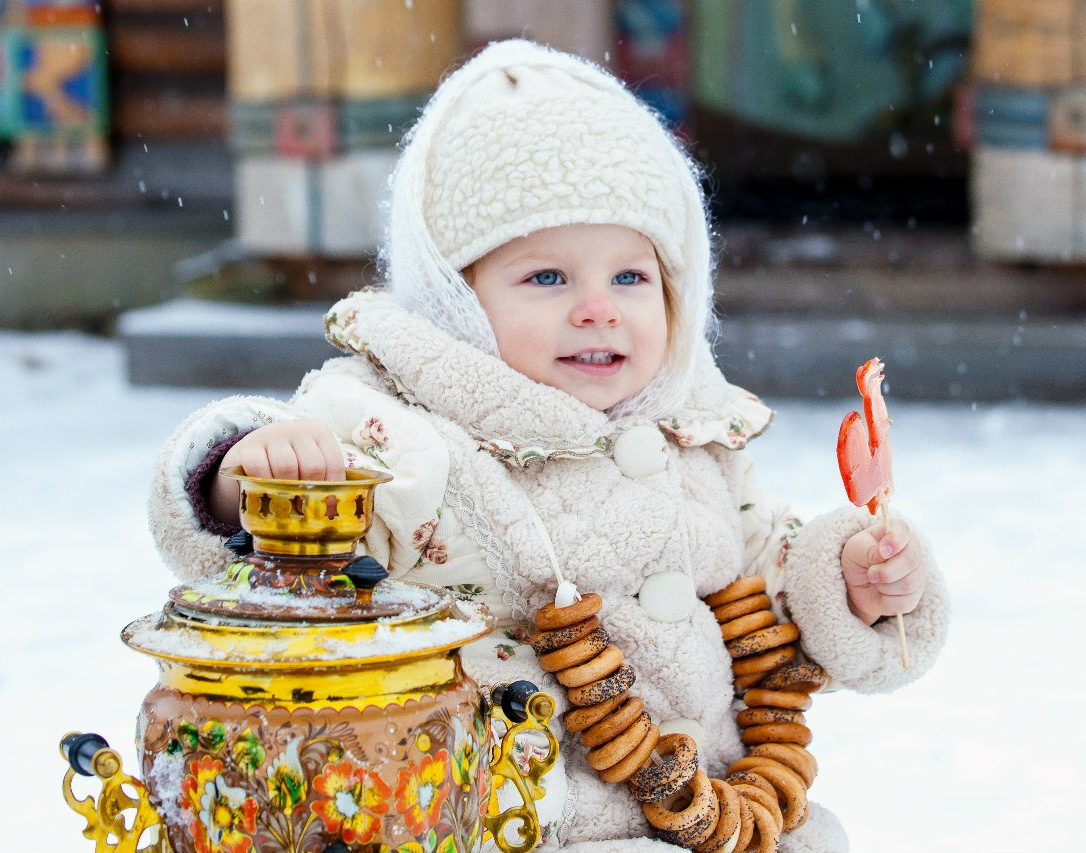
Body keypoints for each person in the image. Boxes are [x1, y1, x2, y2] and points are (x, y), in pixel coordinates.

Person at [149, 39, 948, 852]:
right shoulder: (403, 438)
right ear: (455, 302)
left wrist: (853, 583)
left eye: (630, 278)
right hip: (507, 822)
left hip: (723, 815)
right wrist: (248, 472)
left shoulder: (695, 429)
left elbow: (769, 595)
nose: (598, 308)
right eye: (548, 278)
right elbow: (277, 567)